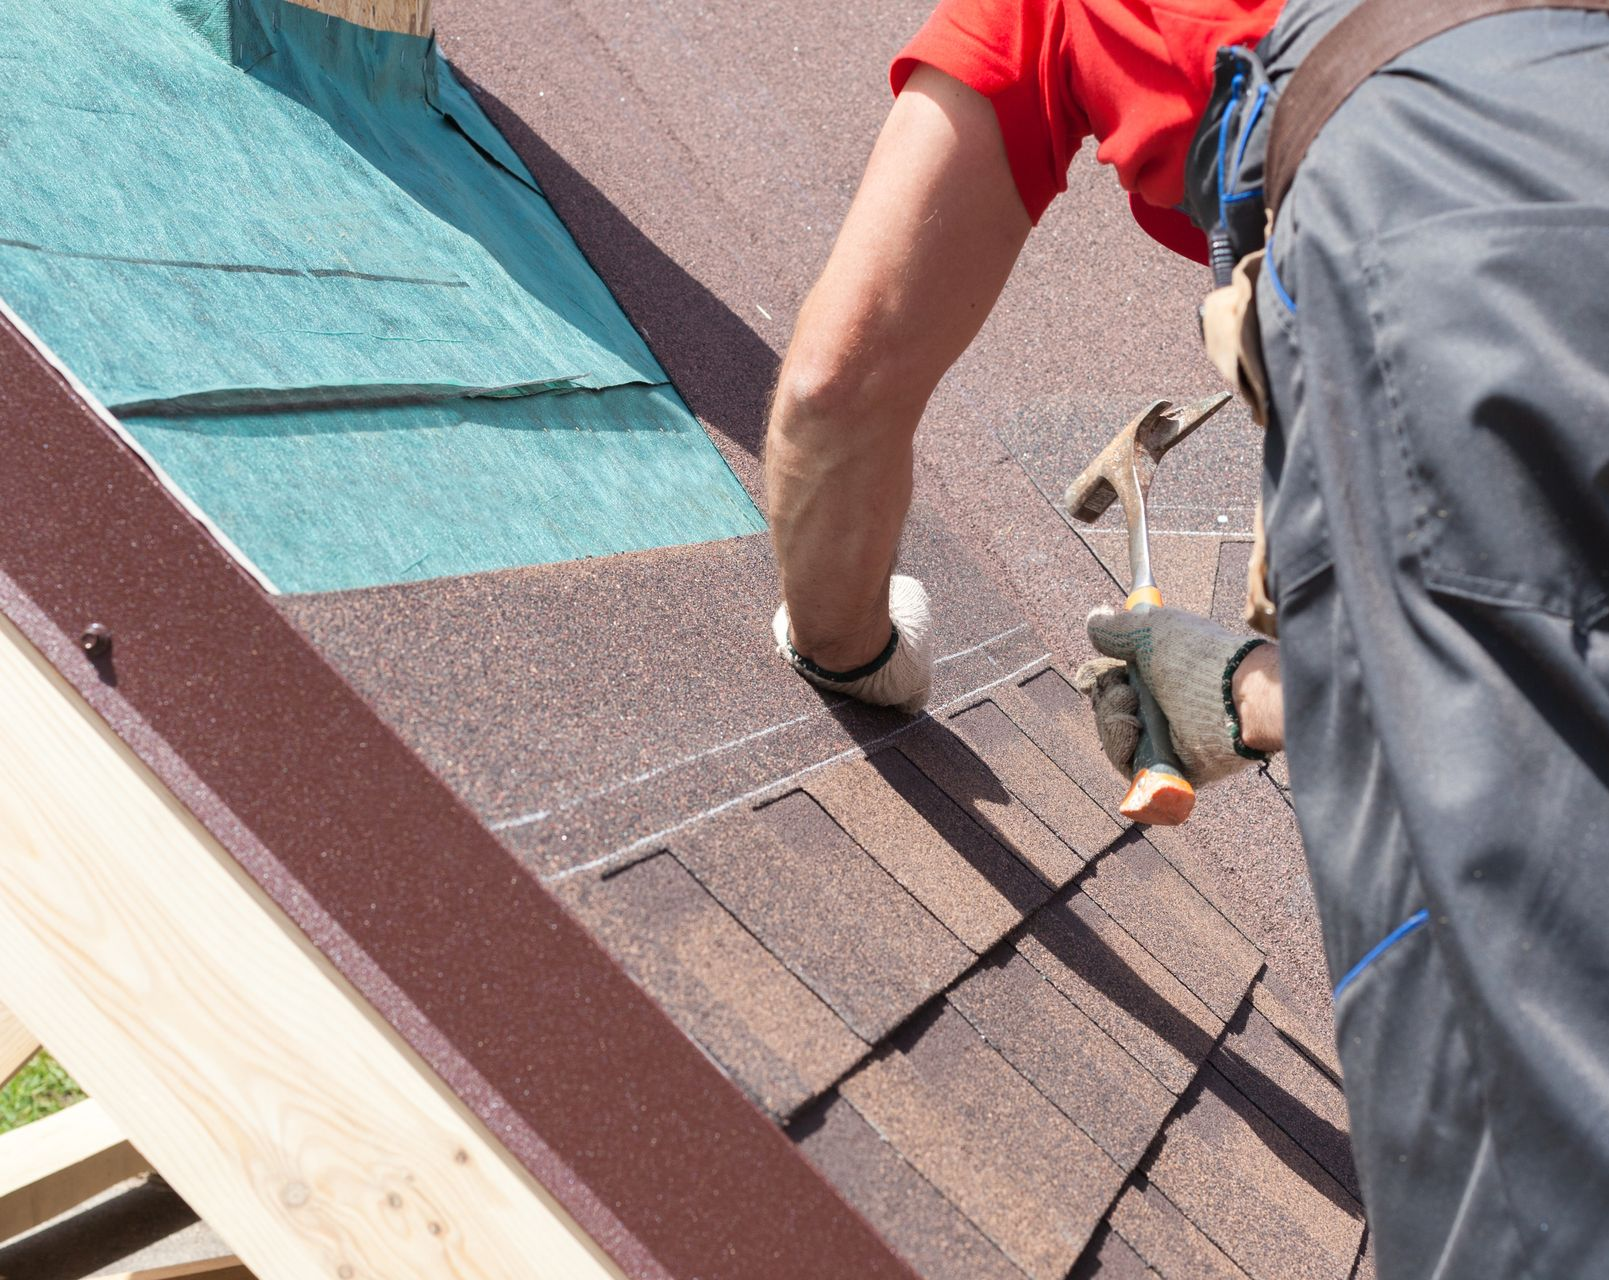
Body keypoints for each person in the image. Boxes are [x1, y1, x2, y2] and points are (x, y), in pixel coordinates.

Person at [764, 1, 1609, 1276]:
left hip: (1431, 206)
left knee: (1514, 1112)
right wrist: (1261, 690)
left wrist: (847, 644)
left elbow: (841, 381)